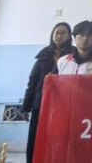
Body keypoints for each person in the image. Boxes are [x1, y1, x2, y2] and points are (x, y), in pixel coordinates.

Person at [21, 22, 72, 163]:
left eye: (64, 33)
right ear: (52, 35)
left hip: (64, 105)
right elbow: (32, 82)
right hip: (41, 103)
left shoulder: (74, 54)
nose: (60, 36)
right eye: (57, 33)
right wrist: (26, 106)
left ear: (69, 36)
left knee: (59, 138)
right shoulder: (44, 54)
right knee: (36, 137)